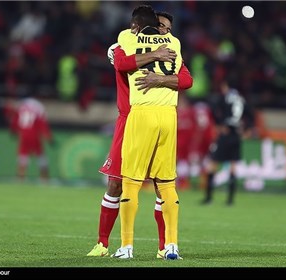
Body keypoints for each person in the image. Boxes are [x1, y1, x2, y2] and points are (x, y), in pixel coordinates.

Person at [87, 10, 192, 259]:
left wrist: (159, 79)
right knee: (116, 183)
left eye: (168, 29)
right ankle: (102, 244)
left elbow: (186, 79)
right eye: (161, 27)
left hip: (147, 116)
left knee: (158, 185)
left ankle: (162, 247)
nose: (164, 32)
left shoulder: (168, 47)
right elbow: (122, 62)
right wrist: (156, 56)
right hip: (129, 119)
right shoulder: (123, 45)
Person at [202, 78, 254, 206]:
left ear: (226, 86)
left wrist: (219, 125)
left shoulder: (224, 97)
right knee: (233, 167)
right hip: (236, 135)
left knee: (213, 164)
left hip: (225, 134)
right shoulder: (241, 99)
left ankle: (209, 198)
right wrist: (247, 130)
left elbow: (213, 109)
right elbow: (251, 115)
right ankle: (230, 201)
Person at [10, 97, 54, 181]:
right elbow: (42, 124)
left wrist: (13, 131)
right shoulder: (38, 109)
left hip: (24, 135)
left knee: (23, 157)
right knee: (41, 156)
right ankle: (45, 178)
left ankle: (20, 178)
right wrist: (49, 137)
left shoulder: (21, 108)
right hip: (34, 135)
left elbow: (14, 121)